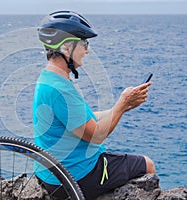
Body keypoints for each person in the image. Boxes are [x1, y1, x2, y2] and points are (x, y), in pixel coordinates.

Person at [33, 11, 156, 199]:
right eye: (83, 43)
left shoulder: (49, 79)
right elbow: (96, 136)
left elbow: (80, 119)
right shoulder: (60, 90)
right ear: (67, 47)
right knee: (148, 165)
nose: (87, 50)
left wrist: (120, 107)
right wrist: (121, 106)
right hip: (76, 176)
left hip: (51, 173)